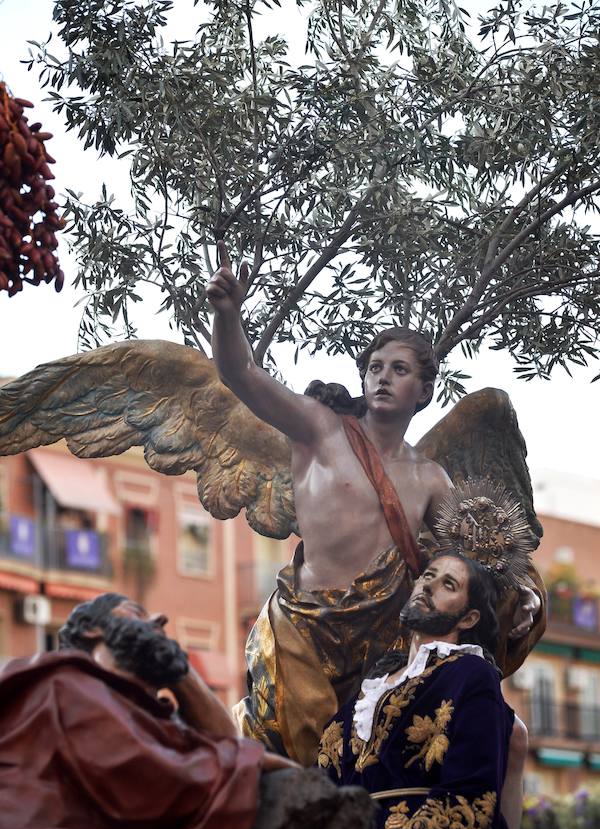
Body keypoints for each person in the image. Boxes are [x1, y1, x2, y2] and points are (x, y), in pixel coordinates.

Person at [206, 243, 543, 766]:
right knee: (291, 762)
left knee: (363, 767)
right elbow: (240, 375)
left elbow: (472, 562)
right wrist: (228, 316)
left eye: (400, 369)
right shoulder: (319, 428)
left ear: (424, 391)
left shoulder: (431, 479)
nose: (383, 376)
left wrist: (520, 591)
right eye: (375, 367)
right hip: (303, 629)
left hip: (382, 646)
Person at [0, 593, 372, 829]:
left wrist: (178, 670)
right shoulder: (69, 683)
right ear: (95, 630)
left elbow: (226, 743)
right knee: (285, 794)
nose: (160, 618)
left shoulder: (141, 713)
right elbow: (144, 777)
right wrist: (257, 764)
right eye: (135, 615)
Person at [317, 552, 520, 829]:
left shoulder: (470, 674)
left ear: (468, 618)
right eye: (428, 575)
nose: (429, 585)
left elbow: (473, 783)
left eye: (448, 584)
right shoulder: (374, 685)